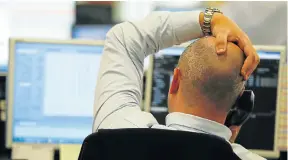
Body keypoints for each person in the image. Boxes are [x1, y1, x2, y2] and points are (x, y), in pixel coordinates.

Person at [93, 9, 262, 160]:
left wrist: (210, 19)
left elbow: (124, 37)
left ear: (175, 81)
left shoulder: (115, 131)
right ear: (240, 105)